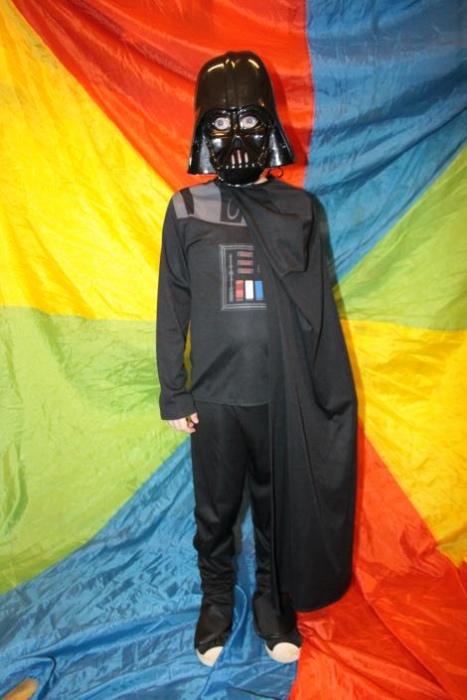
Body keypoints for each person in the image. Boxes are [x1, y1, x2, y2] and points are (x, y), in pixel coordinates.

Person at [156, 51, 357, 667]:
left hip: (280, 396)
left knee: (276, 512)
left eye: (248, 120)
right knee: (214, 514)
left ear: (268, 125)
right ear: (202, 132)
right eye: (220, 123)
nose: (235, 135)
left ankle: (273, 606)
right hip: (215, 400)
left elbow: (317, 312)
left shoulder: (301, 211)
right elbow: (172, 305)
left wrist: (322, 399)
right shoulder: (185, 210)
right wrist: (174, 391)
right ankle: (216, 605)